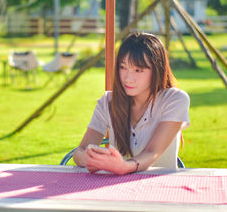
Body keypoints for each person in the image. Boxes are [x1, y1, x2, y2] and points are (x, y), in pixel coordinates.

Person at [73, 33, 190, 175]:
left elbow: (152, 152)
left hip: (161, 187)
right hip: (114, 187)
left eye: (138, 70)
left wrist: (124, 166)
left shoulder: (175, 99)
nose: (128, 78)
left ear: (157, 69)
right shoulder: (108, 101)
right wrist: (88, 159)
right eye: (123, 67)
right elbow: (79, 151)